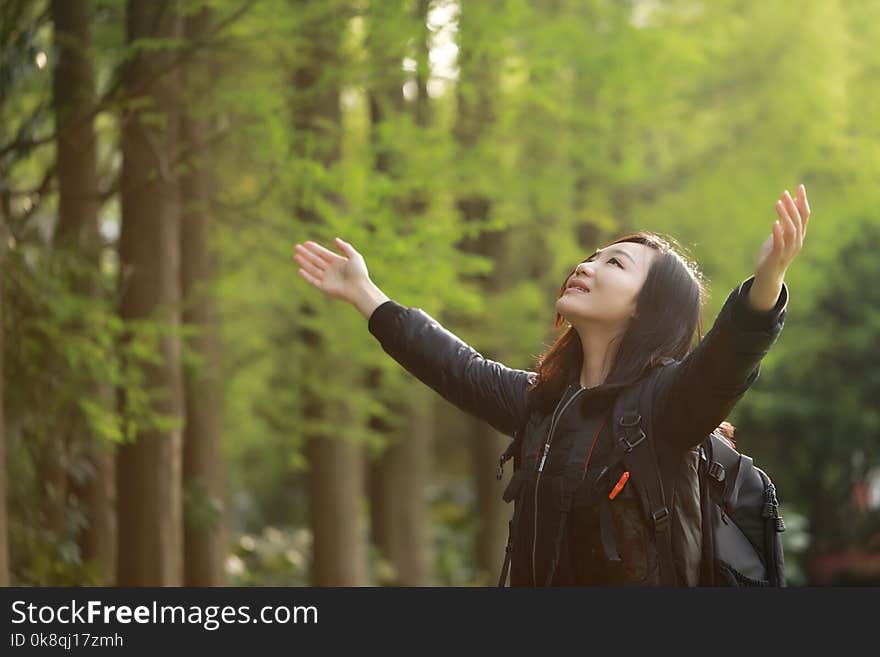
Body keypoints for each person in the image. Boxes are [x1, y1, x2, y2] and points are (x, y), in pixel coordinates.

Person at [292, 184, 811, 586]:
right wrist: (367, 295)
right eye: (592, 256)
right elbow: (455, 366)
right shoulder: (542, 405)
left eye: (615, 263)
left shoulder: (668, 408)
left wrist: (767, 282)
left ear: (644, 308)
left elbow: (726, 362)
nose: (585, 265)